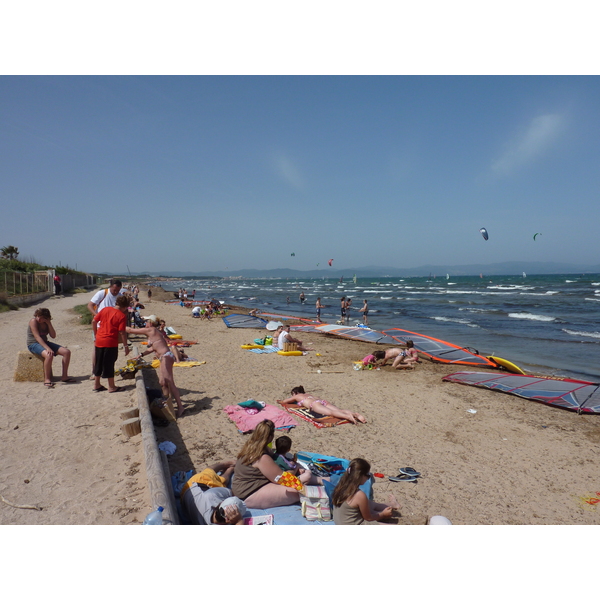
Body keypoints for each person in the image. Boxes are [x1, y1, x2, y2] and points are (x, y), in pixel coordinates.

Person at [232, 420, 323, 509]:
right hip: (249, 493)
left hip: (242, 486)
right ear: (270, 436)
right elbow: (283, 479)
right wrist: (296, 467)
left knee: (302, 482)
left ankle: (321, 480)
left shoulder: (251, 446)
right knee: (298, 491)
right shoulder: (262, 457)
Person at [128, 315, 184, 418]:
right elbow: (153, 348)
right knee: (162, 383)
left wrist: (117, 325)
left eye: (146, 321)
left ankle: (180, 407)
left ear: (150, 322)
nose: (145, 323)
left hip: (166, 357)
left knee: (169, 382)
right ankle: (166, 402)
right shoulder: (154, 332)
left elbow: (131, 330)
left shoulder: (151, 330)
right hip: (164, 357)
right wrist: (140, 355)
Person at [332, 458, 396, 525]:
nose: (368, 478)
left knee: (368, 503)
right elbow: (368, 518)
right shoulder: (359, 495)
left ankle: (393, 504)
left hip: (341, 522)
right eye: (368, 475)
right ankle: (389, 507)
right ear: (360, 476)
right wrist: (383, 514)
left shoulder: (340, 486)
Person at [181, 460, 246, 525]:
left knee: (212, 475)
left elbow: (230, 492)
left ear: (220, 504)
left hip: (192, 487)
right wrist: (239, 521)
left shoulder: (212, 496)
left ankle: (227, 466)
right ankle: (227, 467)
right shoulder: (212, 495)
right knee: (221, 482)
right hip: (192, 492)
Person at [92, 295, 130, 392]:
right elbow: (122, 332)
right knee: (109, 363)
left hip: (99, 339)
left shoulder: (105, 309)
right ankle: (111, 386)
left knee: (98, 362)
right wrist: (126, 346)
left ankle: (96, 384)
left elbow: (94, 321)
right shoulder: (121, 316)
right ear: (125, 307)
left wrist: (96, 334)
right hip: (110, 341)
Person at [27, 308, 73, 388]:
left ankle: (64, 376)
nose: (39, 319)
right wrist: (47, 348)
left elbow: (53, 336)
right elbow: (37, 337)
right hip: (33, 343)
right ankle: (47, 379)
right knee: (49, 355)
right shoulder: (33, 321)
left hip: (45, 342)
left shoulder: (46, 323)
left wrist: (49, 323)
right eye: (38, 316)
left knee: (66, 352)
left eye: (42, 317)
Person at [87, 280, 124, 375]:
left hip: (112, 327)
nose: (115, 292)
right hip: (99, 325)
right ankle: (94, 371)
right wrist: (97, 316)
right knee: (96, 348)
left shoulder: (120, 296)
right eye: (114, 289)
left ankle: (106, 370)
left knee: (110, 350)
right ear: (110, 286)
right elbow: (90, 305)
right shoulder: (102, 293)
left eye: (117, 290)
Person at [278, 386, 366, 424]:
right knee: (338, 410)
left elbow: (285, 401)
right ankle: (355, 414)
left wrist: (280, 401)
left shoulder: (297, 396)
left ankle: (348, 417)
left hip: (314, 404)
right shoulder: (309, 394)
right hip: (321, 401)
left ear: (295, 392)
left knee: (331, 413)